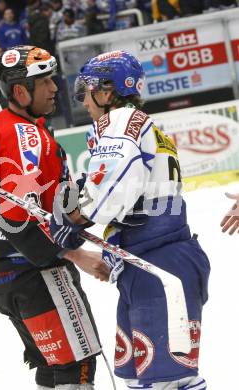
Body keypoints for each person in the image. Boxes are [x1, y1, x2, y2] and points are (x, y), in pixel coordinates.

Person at [49, 50, 210, 389]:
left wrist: (74, 218)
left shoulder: (119, 122)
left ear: (107, 92)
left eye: (88, 91)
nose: (84, 102)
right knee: (143, 379)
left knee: (163, 382)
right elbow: (131, 192)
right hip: (150, 264)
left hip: (159, 270)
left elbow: (109, 195)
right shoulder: (139, 124)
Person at [0, 45, 109, 390]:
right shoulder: (22, 135)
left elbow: (34, 200)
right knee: (75, 365)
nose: (54, 88)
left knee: (53, 367)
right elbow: (14, 217)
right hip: (33, 271)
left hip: (8, 269)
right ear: (20, 91)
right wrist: (74, 254)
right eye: (45, 81)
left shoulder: (10, 123)